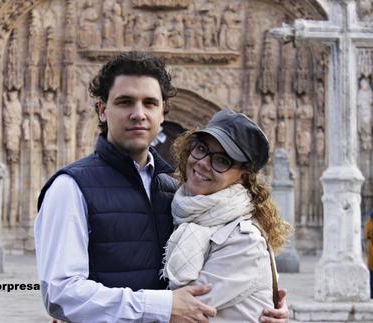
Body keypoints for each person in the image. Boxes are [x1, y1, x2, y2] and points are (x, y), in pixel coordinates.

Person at [35, 51, 289, 322]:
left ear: (163, 112)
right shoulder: (71, 188)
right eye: (124, 102)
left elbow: (218, 280)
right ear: (102, 109)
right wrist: (163, 306)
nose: (138, 114)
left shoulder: (174, 190)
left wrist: (262, 303)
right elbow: (61, 293)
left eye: (150, 103)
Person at [162, 108, 292, 321]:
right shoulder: (181, 206)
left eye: (222, 160)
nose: (203, 162)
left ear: (242, 176)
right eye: (201, 148)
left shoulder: (245, 240)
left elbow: (182, 311)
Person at [365, 210, 373, 298]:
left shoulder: (368, 224)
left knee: (372, 276)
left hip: (371, 255)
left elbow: (366, 235)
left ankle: (372, 294)